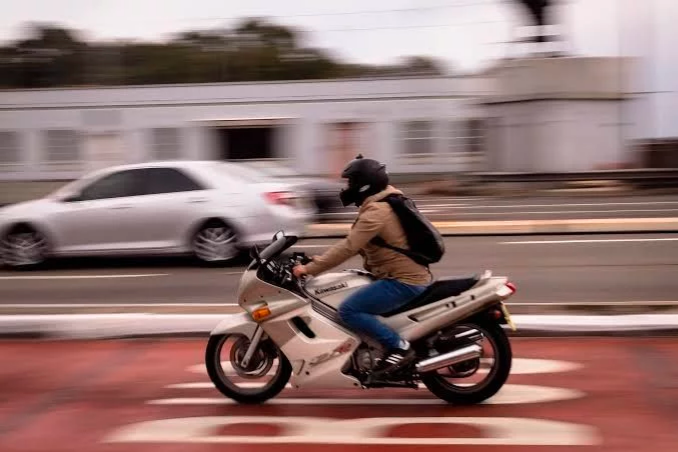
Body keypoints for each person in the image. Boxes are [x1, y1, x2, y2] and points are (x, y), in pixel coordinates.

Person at [293, 155, 433, 376]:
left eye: (350, 182)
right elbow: (359, 246)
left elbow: (349, 247)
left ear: (364, 184)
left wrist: (308, 270)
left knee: (349, 310)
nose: (347, 188)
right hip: (404, 276)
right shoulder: (383, 204)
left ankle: (399, 347)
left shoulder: (377, 212)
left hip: (403, 282)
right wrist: (314, 261)